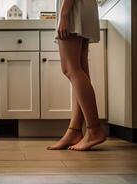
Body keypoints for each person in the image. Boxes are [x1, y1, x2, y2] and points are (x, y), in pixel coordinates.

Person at [47, 0, 107, 151]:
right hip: (80, 6)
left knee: (70, 68)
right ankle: (74, 131)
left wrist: (64, 13)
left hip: (73, 7)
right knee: (79, 68)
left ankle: (94, 129)